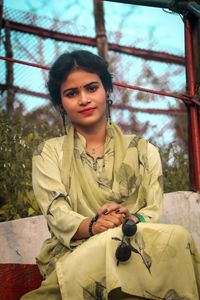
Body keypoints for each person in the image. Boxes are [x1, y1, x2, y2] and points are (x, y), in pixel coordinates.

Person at [21, 50, 200, 300]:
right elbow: (57, 214)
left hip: (134, 244)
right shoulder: (48, 153)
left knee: (178, 237)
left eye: (91, 88)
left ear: (107, 90)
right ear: (61, 103)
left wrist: (128, 218)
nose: (84, 99)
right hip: (77, 255)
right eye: (72, 93)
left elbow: (152, 211)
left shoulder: (143, 151)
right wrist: (93, 225)